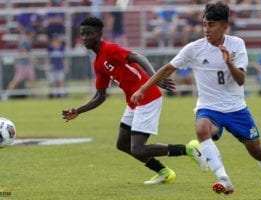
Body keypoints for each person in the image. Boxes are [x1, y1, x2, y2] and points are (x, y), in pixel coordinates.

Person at [131, 2, 261, 199]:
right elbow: (168, 68)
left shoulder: (237, 44)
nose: (206, 29)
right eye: (204, 24)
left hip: (236, 109)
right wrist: (143, 88)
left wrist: (228, 62)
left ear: (224, 26)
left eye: (212, 25)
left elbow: (241, 80)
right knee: (201, 129)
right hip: (209, 108)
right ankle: (224, 179)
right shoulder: (194, 49)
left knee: (257, 151)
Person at [62, 17, 207, 185]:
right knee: (122, 144)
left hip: (148, 97)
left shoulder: (110, 49)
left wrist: (154, 78)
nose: (85, 38)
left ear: (100, 34)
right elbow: (100, 95)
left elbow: (138, 57)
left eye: (89, 33)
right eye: (82, 34)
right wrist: (78, 110)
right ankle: (164, 172)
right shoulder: (98, 63)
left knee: (138, 149)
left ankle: (189, 149)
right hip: (134, 102)